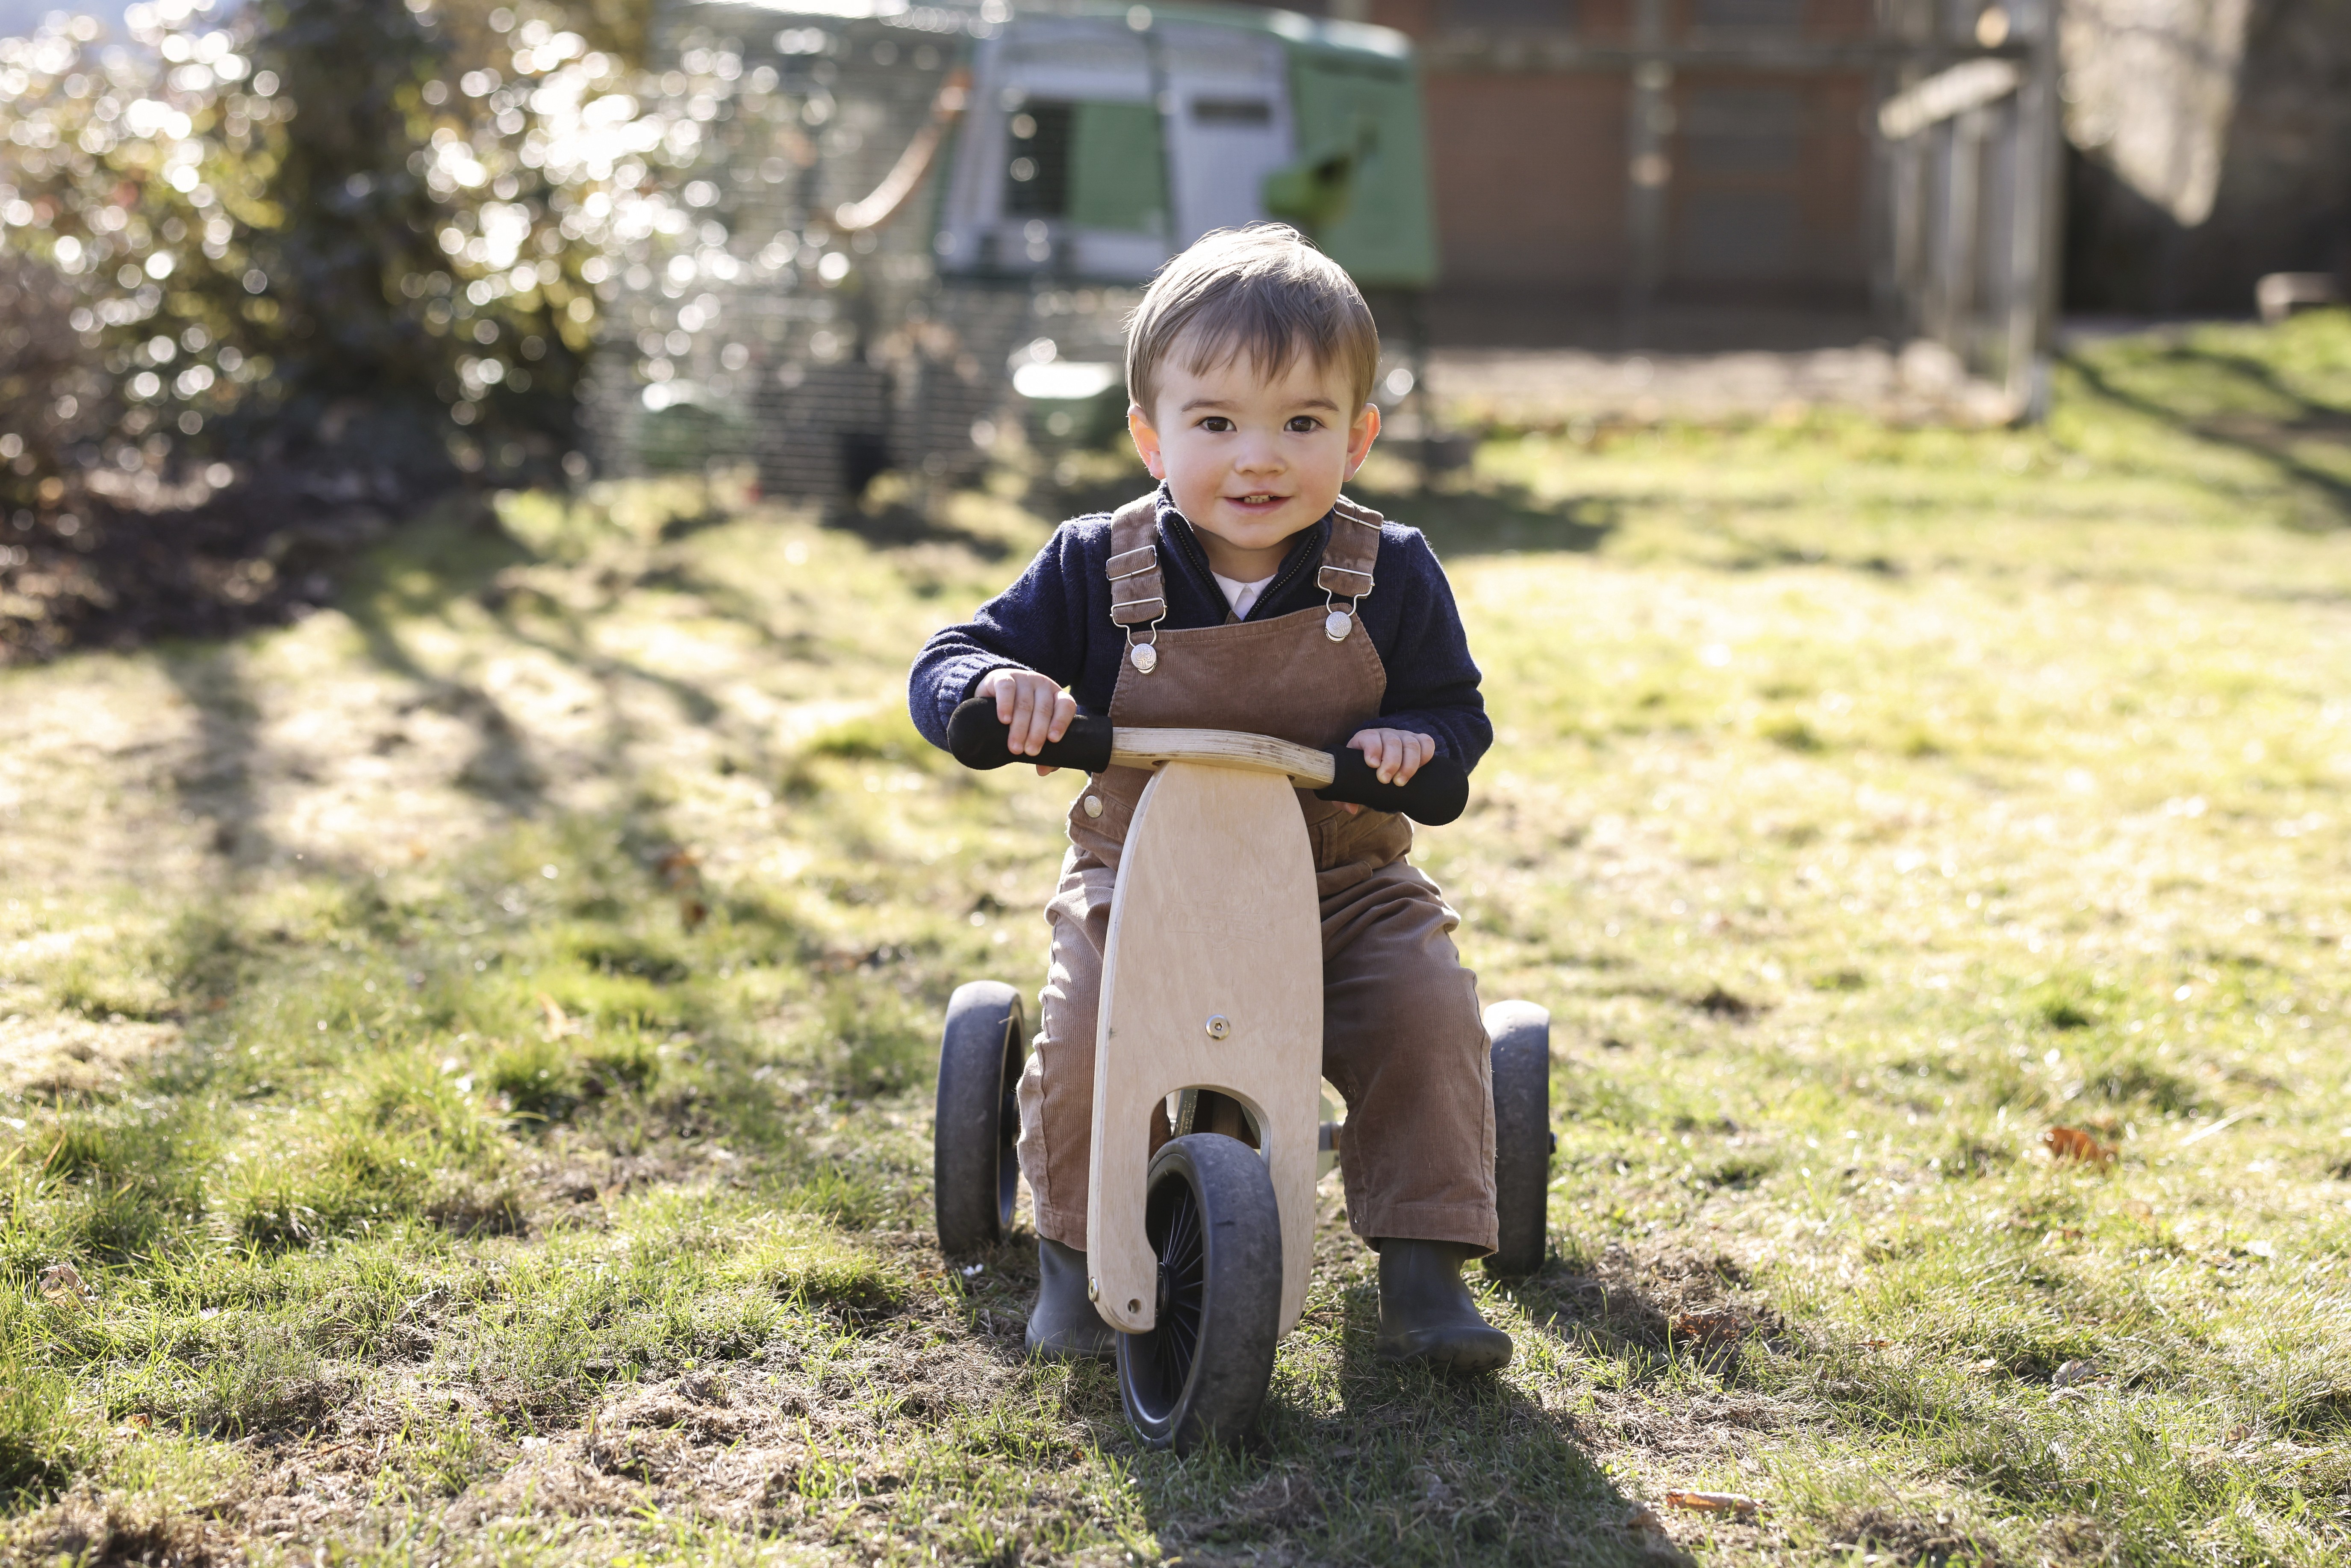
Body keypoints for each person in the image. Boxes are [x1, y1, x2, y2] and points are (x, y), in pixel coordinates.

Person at [907, 224, 1509, 1371]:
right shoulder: (1096, 565)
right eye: (1216, 422)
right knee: (1086, 1037)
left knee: (1428, 1009)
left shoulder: (1392, 573)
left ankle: (1426, 1269)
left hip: (1341, 885)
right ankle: (1080, 1263)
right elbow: (945, 662)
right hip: (1140, 881)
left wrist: (1411, 741)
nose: (1258, 458)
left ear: (1359, 435)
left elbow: (1455, 725)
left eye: (1301, 423)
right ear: (1149, 435)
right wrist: (998, 689)